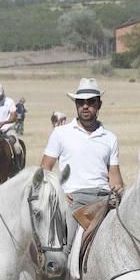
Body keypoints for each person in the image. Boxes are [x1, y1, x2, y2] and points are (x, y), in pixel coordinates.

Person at [41, 77, 123, 212]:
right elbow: (44, 170)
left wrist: (118, 190)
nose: (85, 106)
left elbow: (115, 180)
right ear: (76, 104)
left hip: (104, 198)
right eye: (80, 102)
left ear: (99, 104)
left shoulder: (110, 138)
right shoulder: (60, 133)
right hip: (73, 199)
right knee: (68, 234)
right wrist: (58, 193)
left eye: (91, 102)